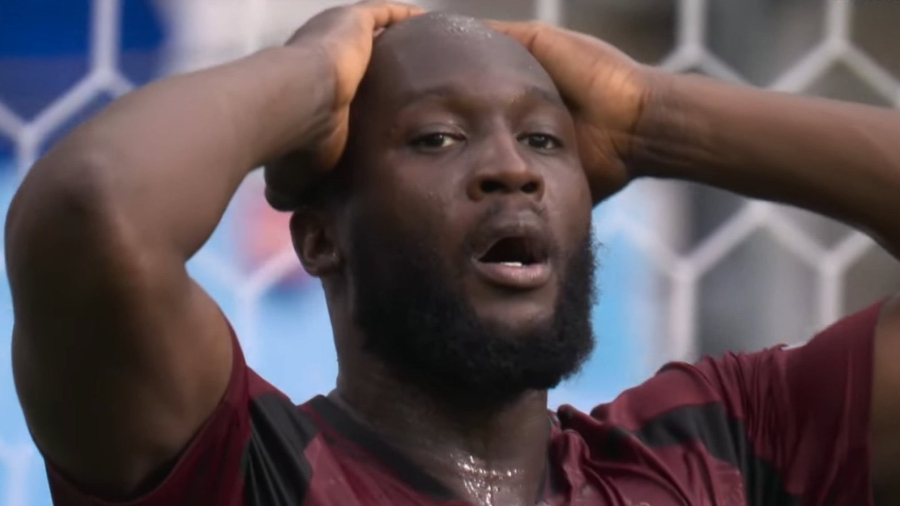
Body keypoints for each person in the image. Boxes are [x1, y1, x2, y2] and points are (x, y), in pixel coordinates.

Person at [6, 2, 900, 505]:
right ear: (319, 237)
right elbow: (93, 213)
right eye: (437, 138)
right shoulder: (242, 471)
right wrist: (314, 77)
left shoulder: (710, 459)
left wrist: (652, 116)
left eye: (545, 141)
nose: (513, 169)